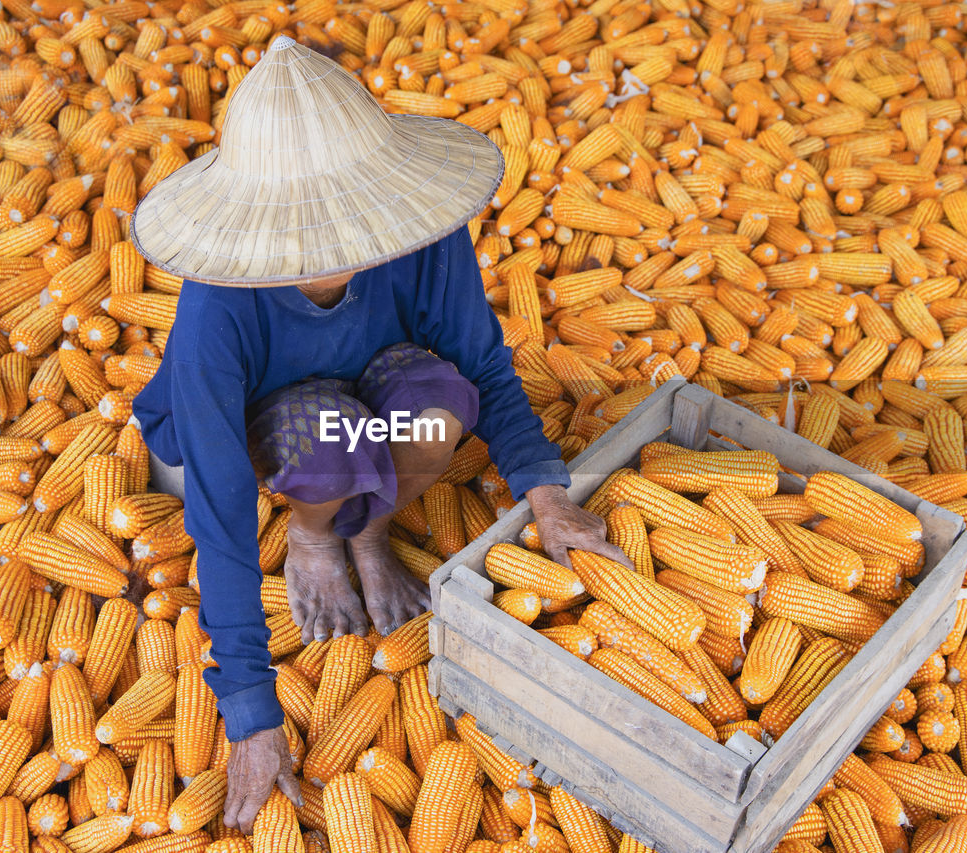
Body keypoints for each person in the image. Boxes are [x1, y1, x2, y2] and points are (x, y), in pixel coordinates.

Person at [128, 35, 630, 832]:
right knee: (326, 441)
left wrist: (548, 492)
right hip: (283, 416)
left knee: (438, 412)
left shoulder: (420, 235)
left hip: (375, 382)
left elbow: (486, 366)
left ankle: (370, 527)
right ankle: (317, 533)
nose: (342, 247)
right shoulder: (217, 305)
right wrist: (251, 712)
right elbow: (222, 507)